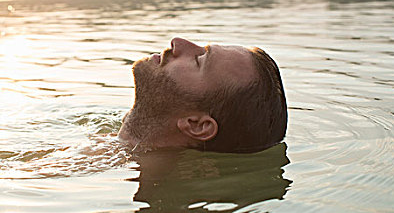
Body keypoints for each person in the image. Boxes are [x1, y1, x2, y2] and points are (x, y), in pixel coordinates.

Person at [118, 37, 287, 153]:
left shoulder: (102, 171)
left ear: (197, 125)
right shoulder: (108, 153)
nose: (177, 42)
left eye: (198, 60)